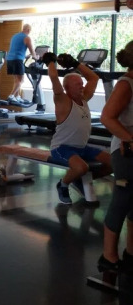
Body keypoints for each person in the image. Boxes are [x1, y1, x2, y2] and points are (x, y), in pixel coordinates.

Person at [41, 51, 112, 205]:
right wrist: (50, 62)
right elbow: (53, 77)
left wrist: (76, 63)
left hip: (82, 148)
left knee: (113, 163)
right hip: (61, 148)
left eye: (81, 83)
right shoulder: (63, 100)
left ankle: (79, 181)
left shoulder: (84, 98)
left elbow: (94, 78)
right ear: (67, 87)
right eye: (77, 84)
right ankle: (63, 185)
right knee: (81, 168)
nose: (82, 86)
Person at [98, 40, 133, 272]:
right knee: (122, 200)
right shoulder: (125, 84)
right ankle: (108, 257)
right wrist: (129, 139)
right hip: (125, 152)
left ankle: (131, 253)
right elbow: (107, 117)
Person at [7, 24, 36, 103]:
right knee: (21, 80)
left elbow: (16, 49)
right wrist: (36, 57)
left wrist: (25, 56)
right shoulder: (27, 38)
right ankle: (11, 96)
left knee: (16, 80)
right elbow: (32, 51)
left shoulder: (15, 36)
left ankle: (17, 96)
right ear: (29, 30)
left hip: (10, 59)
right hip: (17, 60)